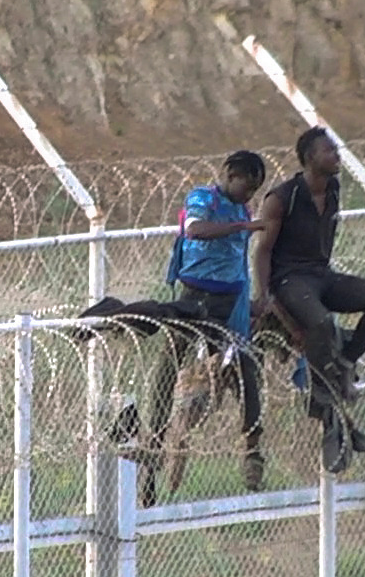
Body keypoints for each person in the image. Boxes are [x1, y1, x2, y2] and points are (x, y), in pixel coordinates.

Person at [78, 150, 271, 500]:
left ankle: (253, 450)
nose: (250, 195)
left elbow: (239, 261)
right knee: (168, 365)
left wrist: (252, 302)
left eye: (256, 189)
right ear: (229, 174)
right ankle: (151, 455)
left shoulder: (243, 209)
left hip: (229, 303)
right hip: (197, 295)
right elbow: (194, 229)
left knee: (246, 368)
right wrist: (242, 226)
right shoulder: (203, 199)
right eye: (247, 185)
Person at [249, 126, 365, 472]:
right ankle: (323, 394)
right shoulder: (283, 198)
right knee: (320, 322)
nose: (337, 156)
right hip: (290, 279)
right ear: (310, 158)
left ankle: (343, 364)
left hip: (321, 275)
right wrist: (265, 295)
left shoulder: (333, 189)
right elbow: (263, 252)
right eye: (329, 151)